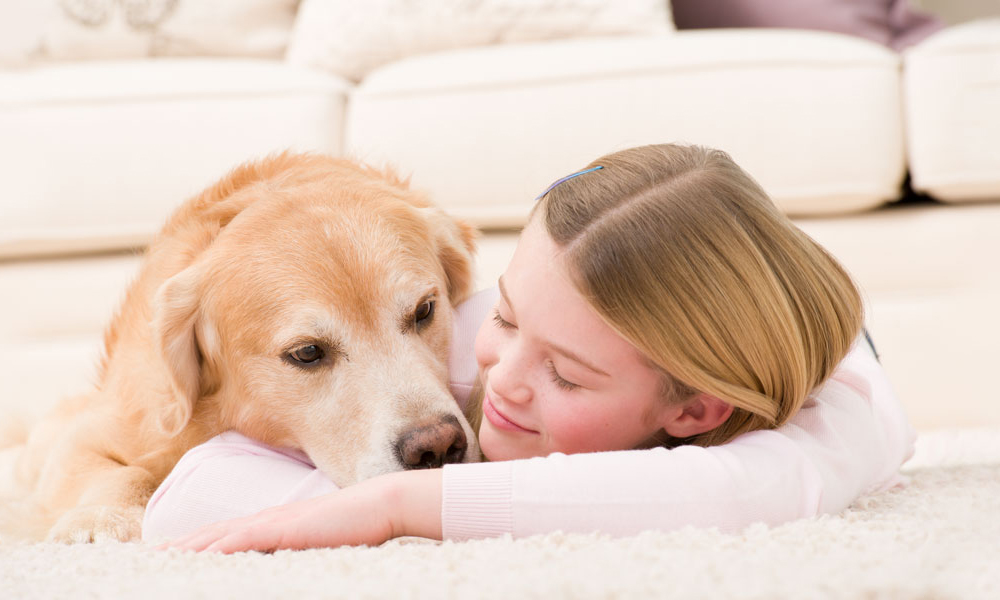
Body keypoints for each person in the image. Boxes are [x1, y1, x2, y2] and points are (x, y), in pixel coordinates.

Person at [149, 144, 914, 552]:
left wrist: (397, 507)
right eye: (507, 321)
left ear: (695, 410)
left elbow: (732, 494)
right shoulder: (453, 340)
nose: (497, 385)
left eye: (566, 377)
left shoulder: (847, 421)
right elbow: (188, 499)